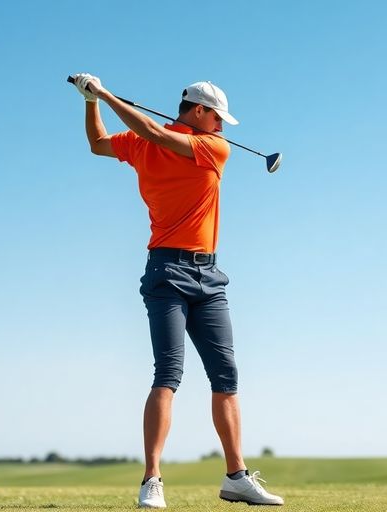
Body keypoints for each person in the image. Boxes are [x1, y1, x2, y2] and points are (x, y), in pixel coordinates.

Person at [71, 73, 284, 509]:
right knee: (167, 374)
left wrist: (102, 95)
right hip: (166, 271)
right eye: (218, 117)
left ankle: (236, 478)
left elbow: (148, 131)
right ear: (199, 111)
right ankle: (152, 480)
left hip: (210, 277)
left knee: (226, 378)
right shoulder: (146, 141)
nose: (223, 126)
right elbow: (98, 144)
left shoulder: (212, 149)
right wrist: (91, 101)